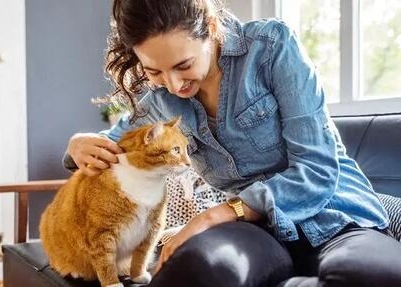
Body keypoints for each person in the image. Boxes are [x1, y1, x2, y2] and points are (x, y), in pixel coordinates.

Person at [63, 0, 401, 286]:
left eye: (184, 65)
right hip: (260, 232)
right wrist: (78, 144)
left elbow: (317, 169)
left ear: (210, 27)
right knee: (202, 266)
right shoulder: (160, 99)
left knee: (369, 275)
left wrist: (216, 215)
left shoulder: (271, 47)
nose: (173, 83)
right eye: (154, 71)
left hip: (337, 214)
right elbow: (111, 140)